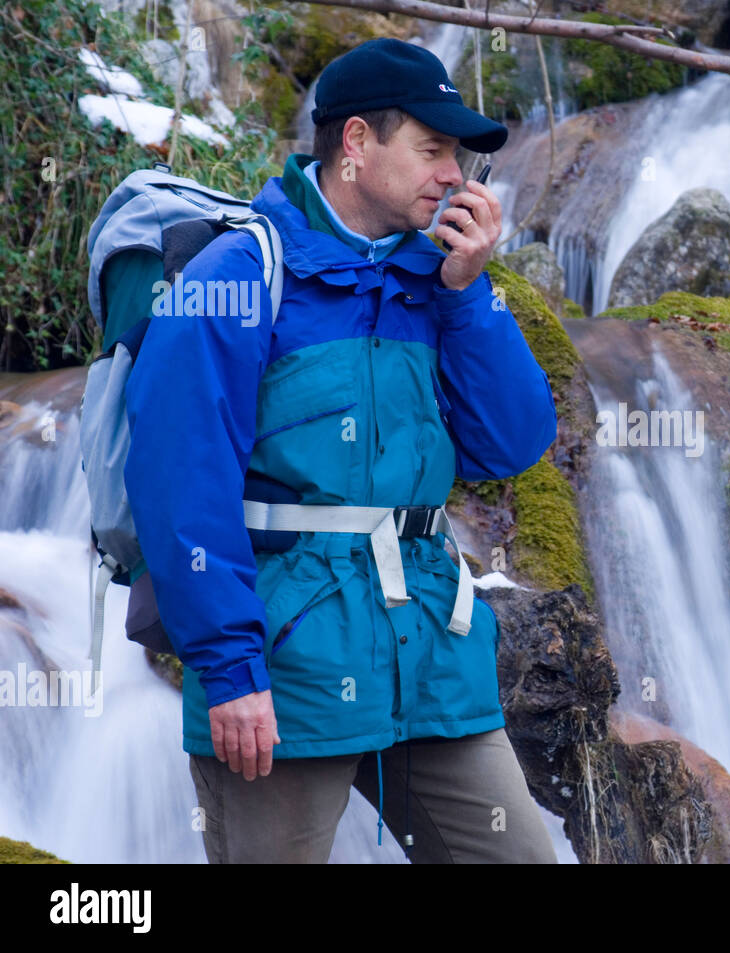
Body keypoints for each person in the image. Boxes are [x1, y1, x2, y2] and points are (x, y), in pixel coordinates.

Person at [120, 37, 560, 863]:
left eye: (460, 157)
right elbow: (179, 484)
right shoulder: (242, 275)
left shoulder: (439, 280)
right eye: (432, 150)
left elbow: (512, 443)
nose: (454, 176)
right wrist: (229, 668)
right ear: (356, 144)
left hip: (432, 652)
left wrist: (469, 298)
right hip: (289, 666)